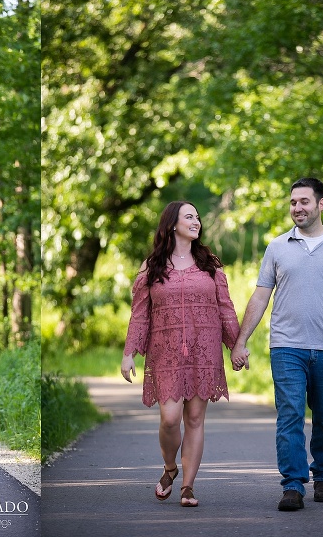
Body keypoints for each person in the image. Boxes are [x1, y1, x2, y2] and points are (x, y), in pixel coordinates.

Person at [231, 177, 323, 512]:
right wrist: (240, 341)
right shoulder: (277, 247)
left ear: (320, 204)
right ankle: (292, 484)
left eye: (304, 202)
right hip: (286, 347)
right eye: (293, 202)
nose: (297, 208)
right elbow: (260, 296)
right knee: (290, 414)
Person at [121, 201, 241, 507]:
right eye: (190, 217)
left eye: (198, 217)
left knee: (196, 417)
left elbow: (225, 308)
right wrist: (129, 352)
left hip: (204, 350)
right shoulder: (152, 266)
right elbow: (139, 314)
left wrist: (236, 345)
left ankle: (188, 487)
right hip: (166, 352)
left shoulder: (210, 264)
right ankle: (170, 468)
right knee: (170, 419)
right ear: (172, 223)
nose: (196, 221)